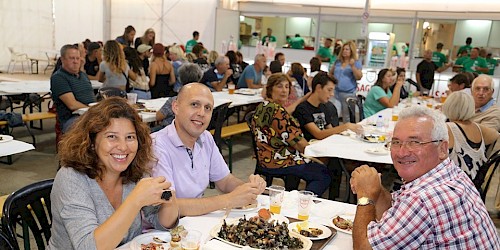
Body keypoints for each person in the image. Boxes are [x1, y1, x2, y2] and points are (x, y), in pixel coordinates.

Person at [350, 105, 500, 249]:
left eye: (415, 142)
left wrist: (366, 196)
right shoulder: (449, 172)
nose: (402, 152)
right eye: (396, 142)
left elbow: (364, 247)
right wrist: (375, 189)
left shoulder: (423, 198)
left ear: (442, 148)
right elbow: (399, 215)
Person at [47, 98, 180, 249]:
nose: (123, 147)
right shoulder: (71, 179)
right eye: (112, 137)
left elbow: (160, 223)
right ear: (91, 142)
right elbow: (88, 246)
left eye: (130, 137)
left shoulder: (134, 172)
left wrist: (169, 199)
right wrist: (135, 200)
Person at [152, 83, 267, 216]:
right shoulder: (156, 146)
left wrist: (249, 189)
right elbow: (168, 207)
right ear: (176, 107)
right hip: (163, 231)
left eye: (208, 108)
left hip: (196, 222)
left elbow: (225, 181)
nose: (201, 113)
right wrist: (229, 199)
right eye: (194, 104)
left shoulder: (205, 137)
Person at [251, 73, 331, 196]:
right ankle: (301, 202)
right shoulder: (278, 113)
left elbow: (285, 115)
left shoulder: (264, 107)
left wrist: (303, 99)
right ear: (270, 89)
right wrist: (319, 152)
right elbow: (300, 144)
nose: (284, 90)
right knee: (323, 174)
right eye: (279, 86)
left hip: (265, 157)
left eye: (287, 87)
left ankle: (294, 194)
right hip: (280, 160)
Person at [442, 91, 499, 182]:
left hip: (453, 183)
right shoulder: (481, 129)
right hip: (475, 184)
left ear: (448, 107)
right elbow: (497, 137)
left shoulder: (446, 128)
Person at [293, 72, 362, 141]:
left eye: (333, 91)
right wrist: (346, 126)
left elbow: (331, 130)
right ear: (318, 88)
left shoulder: (323, 107)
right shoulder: (302, 109)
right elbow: (318, 134)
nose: (332, 94)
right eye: (329, 90)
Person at [50, 44, 96, 133]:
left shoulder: (83, 75)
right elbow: (72, 105)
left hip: (90, 114)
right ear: (62, 59)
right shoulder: (58, 78)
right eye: (72, 58)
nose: (75, 61)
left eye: (78, 58)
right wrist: (94, 110)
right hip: (72, 119)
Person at [155, 63, 203, 128]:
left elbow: (158, 116)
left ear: (180, 78)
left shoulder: (175, 100)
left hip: (170, 132)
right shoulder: (202, 100)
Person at [329, 41, 363, 123]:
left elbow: (359, 77)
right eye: (343, 49)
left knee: (347, 116)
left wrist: (352, 66)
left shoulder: (356, 63)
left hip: (348, 93)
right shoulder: (338, 62)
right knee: (333, 113)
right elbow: (330, 73)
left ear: (351, 51)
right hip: (336, 92)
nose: (344, 51)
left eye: (347, 49)